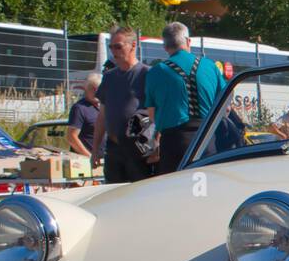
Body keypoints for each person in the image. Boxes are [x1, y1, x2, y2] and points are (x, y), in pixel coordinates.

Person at [145, 22, 227, 174]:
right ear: (188, 41)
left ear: (165, 46)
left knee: (175, 192)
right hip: (206, 140)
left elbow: (151, 114)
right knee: (207, 190)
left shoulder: (155, 72)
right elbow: (226, 106)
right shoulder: (210, 66)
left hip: (173, 143)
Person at [91, 27, 152, 183]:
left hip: (138, 149)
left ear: (133, 45)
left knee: (140, 195)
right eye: (111, 47)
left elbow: (157, 112)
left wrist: (157, 144)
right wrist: (95, 147)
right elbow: (102, 116)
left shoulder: (147, 74)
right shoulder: (109, 78)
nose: (114, 51)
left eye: (118, 46)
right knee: (113, 195)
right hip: (113, 148)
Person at [65, 73, 101, 157]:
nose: (96, 91)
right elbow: (71, 137)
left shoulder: (106, 107)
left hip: (107, 162)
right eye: (92, 88)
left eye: (98, 88)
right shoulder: (79, 108)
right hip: (85, 162)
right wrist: (89, 156)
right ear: (85, 89)